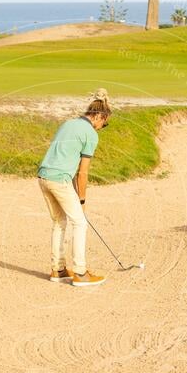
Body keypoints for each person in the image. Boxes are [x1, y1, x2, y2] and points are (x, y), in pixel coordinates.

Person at [37, 89, 111, 287]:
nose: (101, 128)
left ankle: (58, 270)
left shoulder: (67, 124)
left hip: (43, 177)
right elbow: (83, 172)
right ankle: (80, 272)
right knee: (79, 222)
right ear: (100, 116)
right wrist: (82, 200)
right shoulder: (91, 134)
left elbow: (63, 157)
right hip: (60, 181)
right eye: (104, 124)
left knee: (59, 222)